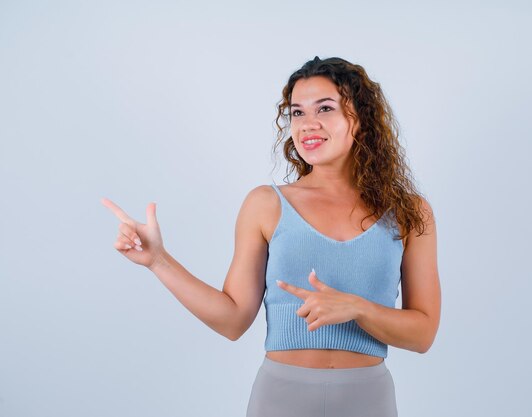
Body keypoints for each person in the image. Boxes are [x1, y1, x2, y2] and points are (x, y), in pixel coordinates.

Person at [101, 56, 441, 417]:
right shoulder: (266, 204)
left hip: (368, 398)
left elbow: (423, 334)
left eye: (324, 108)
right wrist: (158, 260)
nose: (308, 124)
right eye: (297, 113)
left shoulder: (409, 211)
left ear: (360, 119)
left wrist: (357, 308)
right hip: (282, 398)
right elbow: (232, 320)